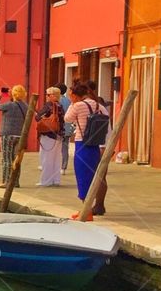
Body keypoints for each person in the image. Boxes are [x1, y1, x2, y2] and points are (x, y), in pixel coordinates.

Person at [64, 84, 109, 218]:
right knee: (94, 176)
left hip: (82, 143)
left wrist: (73, 103)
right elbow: (106, 118)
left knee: (83, 177)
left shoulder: (78, 105)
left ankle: (86, 210)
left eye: (71, 95)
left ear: (75, 95)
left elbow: (67, 119)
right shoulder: (98, 105)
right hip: (94, 144)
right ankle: (91, 207)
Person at [0, 85, 28, 188]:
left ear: (13, 94)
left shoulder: (9, 105)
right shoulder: (25, 106)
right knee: (16, 159)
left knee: (6, 159)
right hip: (20, 135)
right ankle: (15, 181)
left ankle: (6, 181)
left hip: (7, 135)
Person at [36, 87, 64, 187]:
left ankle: (45, 181)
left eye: (47, 95)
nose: (46, 97)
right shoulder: (60, 105)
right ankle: (56, 180)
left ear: (52, 95)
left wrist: (37, 114)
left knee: (46, 158)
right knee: (56, 159)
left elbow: (38, 116)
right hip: (59, 135)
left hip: (48, 134)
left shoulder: (48, 105)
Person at [58, 83, 73, 173]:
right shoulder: (69, 101)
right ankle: (63, 167)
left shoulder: (57, 101)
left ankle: (56, 165)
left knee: (56, 148)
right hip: (67, 127)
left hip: (58, 127)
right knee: (65, 148)